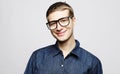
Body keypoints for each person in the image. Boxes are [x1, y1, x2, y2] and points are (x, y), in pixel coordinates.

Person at [24, 1, 103, 74]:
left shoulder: (92, 62)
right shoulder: (37, 57)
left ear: (73, 20)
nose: (58, 28)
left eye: (63, 20)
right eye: (52, 23)